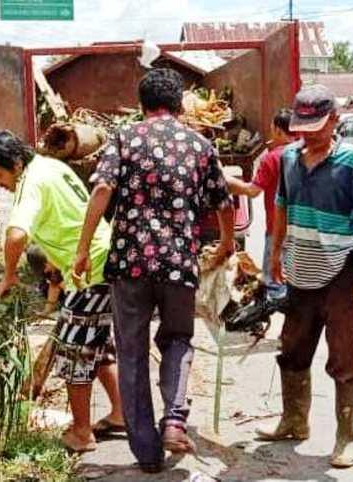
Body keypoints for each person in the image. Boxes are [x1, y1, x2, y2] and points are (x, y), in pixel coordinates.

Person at [74, 68, 237, 473]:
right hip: (180, 261)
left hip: (130, 264)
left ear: (142, 104)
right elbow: (224, 202)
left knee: (130, 351)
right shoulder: (200, 144)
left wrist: (82, 248)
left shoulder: (125, 139)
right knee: (178, 338)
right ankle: (176, 419)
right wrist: (228, 244)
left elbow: (101, 189)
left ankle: (147, 453)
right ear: (180, 103)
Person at [0, 130, 125, 453]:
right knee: (98, 347)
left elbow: (16, 235)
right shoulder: (51, 166)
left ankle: (82, 433)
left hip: (87, 271)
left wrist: (10, 275)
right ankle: (120, 413)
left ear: (15, 164)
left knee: (75, 352)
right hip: (101, 260)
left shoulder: (30, 182)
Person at [261, 85, 353, 469]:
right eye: (302, 126)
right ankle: (294, 420)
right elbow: (281, 207)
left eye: (316, 125)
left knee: (344, 354)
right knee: (292, 348)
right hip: (299, 270)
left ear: (334, 120)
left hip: (341, 272)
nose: (307, 133)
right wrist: (277, 252)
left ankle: (345, 437)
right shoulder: (289, 159)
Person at [225, 108, 296, 301]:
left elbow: (253, 191)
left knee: (274, 284)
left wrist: (228, 183)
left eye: (272, 128)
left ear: (279, 131)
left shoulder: (272, 158)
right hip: (303, 228)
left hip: (277, 228)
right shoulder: (305, 153)